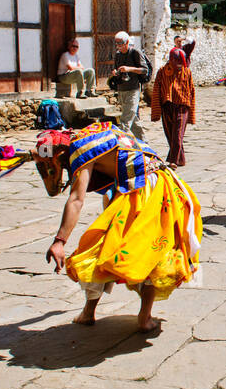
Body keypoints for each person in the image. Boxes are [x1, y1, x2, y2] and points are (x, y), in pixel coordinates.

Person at [37, 123, 201, 331]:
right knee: (150, 249)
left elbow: (76, 199)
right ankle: (143, 316)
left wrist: (59, 241)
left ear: (59, 154)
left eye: (52, 164)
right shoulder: (92, 132)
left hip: (143, 188)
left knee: (108, 248)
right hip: (154, 183)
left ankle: (92, 311)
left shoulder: (79, 149)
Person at [149, 46, 194, 167]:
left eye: (181, 63)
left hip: (182, 107)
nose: (179, 65)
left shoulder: (187, 72)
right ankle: (181, 159)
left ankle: (173, 160)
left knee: (178, 134)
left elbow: (191, 92)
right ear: (171, 60)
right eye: (177, 62)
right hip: (167, 107)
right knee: (170, 135)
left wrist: (191, 113)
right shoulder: (162, 71)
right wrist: (156, 110)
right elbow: (157, 90)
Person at [109, 31, 151, 140]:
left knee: (126, 119)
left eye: (121, 44)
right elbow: (117, 69)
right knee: (133, 118)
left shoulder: (135, 53)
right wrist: (116, 72)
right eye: (117, 44)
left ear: (127, 42)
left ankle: (119, 143)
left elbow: (144, 70)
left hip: (133, 89)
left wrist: (129, 69)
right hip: (122, 89)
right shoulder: (118, 55)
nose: (119, 47)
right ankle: (143, 142)